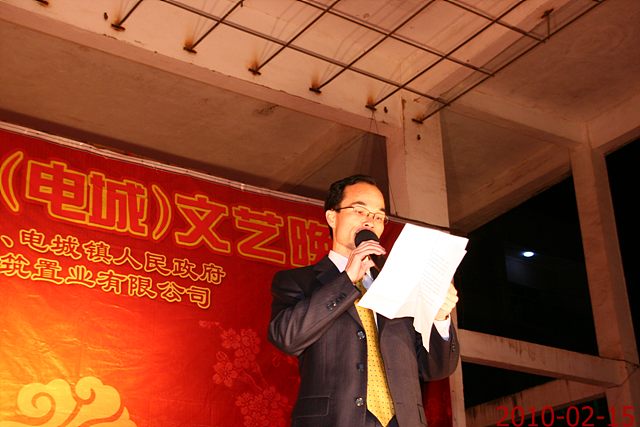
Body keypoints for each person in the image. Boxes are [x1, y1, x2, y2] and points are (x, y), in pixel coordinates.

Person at [268, 174, 460, 427]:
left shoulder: (400, 285)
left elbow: (434, 368)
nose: (370, 221)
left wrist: (440, 318)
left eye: (379, 216)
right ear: (332, 217)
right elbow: (287, 338)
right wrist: (347, 280)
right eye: (360, 211)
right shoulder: (298, 281)